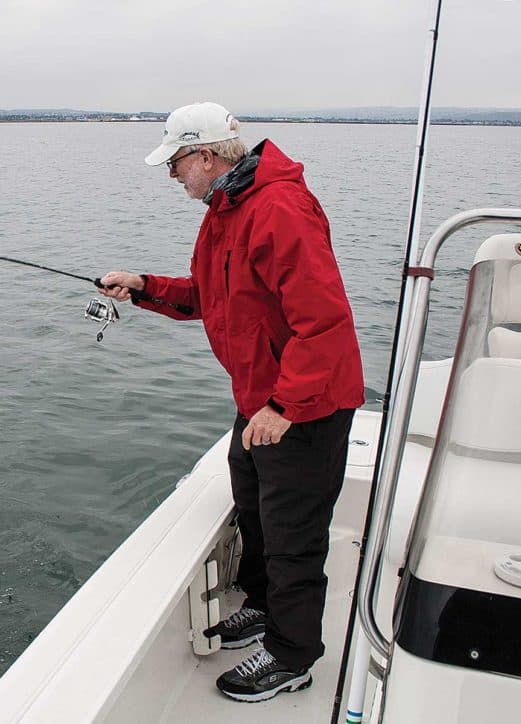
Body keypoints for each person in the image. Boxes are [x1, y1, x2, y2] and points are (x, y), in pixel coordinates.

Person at [99, 101, 364, 703]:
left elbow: (323, 322)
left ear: (208, 155)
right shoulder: (226, 209)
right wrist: (145, 288)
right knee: (256, 514)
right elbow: (211, 297)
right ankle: (269, 609)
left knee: (294, 536)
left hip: (304, 407)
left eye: (176, 164)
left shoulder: (278, 208)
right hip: (261, 398)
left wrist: (283, 406)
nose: (172, 177)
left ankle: (293, 656)